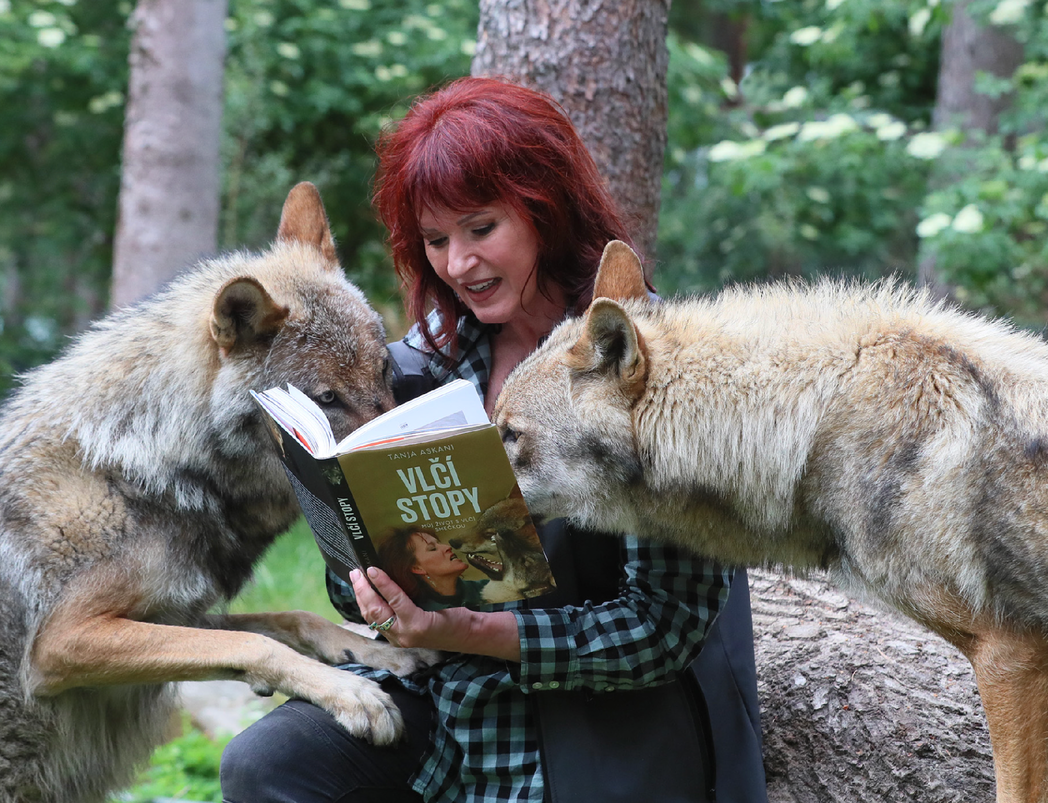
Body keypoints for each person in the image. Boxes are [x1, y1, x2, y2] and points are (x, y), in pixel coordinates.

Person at [221, 76, 767, 803]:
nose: (458, 264)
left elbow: (661, 630)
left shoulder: (644, 359)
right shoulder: (415, 365)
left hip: (602, 713)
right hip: (445, 696)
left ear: (546, 209)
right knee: (268, 764)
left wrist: (478, 630)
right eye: (436, 239)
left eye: (482, 229)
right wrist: (370, 589)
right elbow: (353, 582)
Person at [376, 527, 490, 609]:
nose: (447, 547)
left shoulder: (490, 590)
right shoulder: (418, 613)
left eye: (439, 543)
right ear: (417, 568)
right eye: (432, 549)